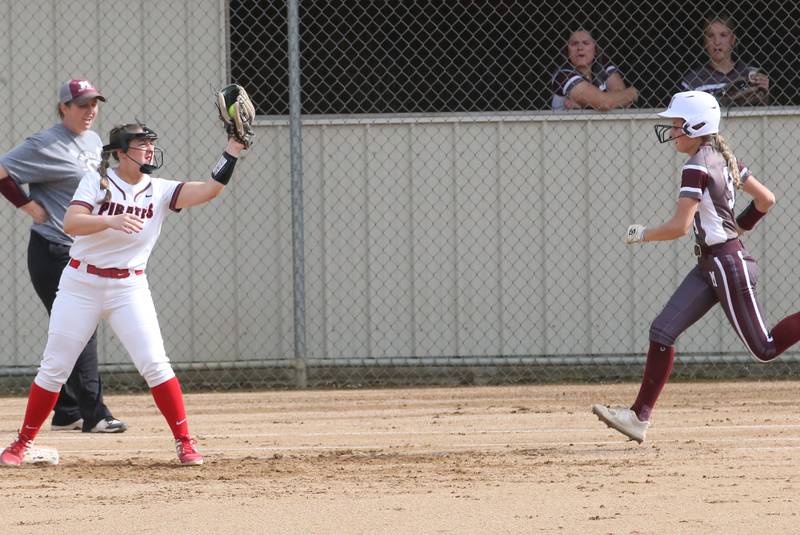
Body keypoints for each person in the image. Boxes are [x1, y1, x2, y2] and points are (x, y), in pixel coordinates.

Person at [0, 122, 247, 466]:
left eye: (150, 142)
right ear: (119, 152)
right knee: (54, 367)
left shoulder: (159, 189)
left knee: (155, 364)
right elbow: (71, 223)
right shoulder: (97, 181)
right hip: (81, 284)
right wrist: (110, 221)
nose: (149, 148)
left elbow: (209, 189)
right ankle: (21, 443)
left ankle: (185, 442)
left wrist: (232, 149)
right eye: (141, 143)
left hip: (128, 287)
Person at [592, 90, 800, 443]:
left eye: (677, 124)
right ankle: (638, 417)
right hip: (714, 262)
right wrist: (741, 226)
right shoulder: (720, 154)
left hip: (725, 264)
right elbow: (766, 200)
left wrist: (642, 234)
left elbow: (679, 227)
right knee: (662, 330)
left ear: (695, 125)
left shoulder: (696, 164)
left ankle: (638, 416)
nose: (672, 130)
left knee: (764, 349)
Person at [0, 79, 127, 434]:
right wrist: (28, 206)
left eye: (94, 104)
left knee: (70, 329)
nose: (90, 111)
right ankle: (95, 413)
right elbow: (1, 171)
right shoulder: (45, 143)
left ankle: (67, 409)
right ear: (64, 108)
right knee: (81, 328)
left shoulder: (91, 139)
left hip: (81, 250)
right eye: (82, 104)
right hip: (53, 248)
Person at [679, 13, 769, 107]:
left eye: (723, 35)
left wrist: (765, 92)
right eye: (710, 35)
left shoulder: (751, 74)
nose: (717, 42)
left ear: (733, 39)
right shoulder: (692, 80)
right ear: (705, 41)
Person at [549, 29, 639, 111]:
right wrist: (631, 93)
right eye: (574, 44)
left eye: (586, 43)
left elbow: (621, 98)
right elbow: (604, 104)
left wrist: (585, 105)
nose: (580, 48)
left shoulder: (602, 65)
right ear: (567, 50)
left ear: (595, 49)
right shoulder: (563, 75)